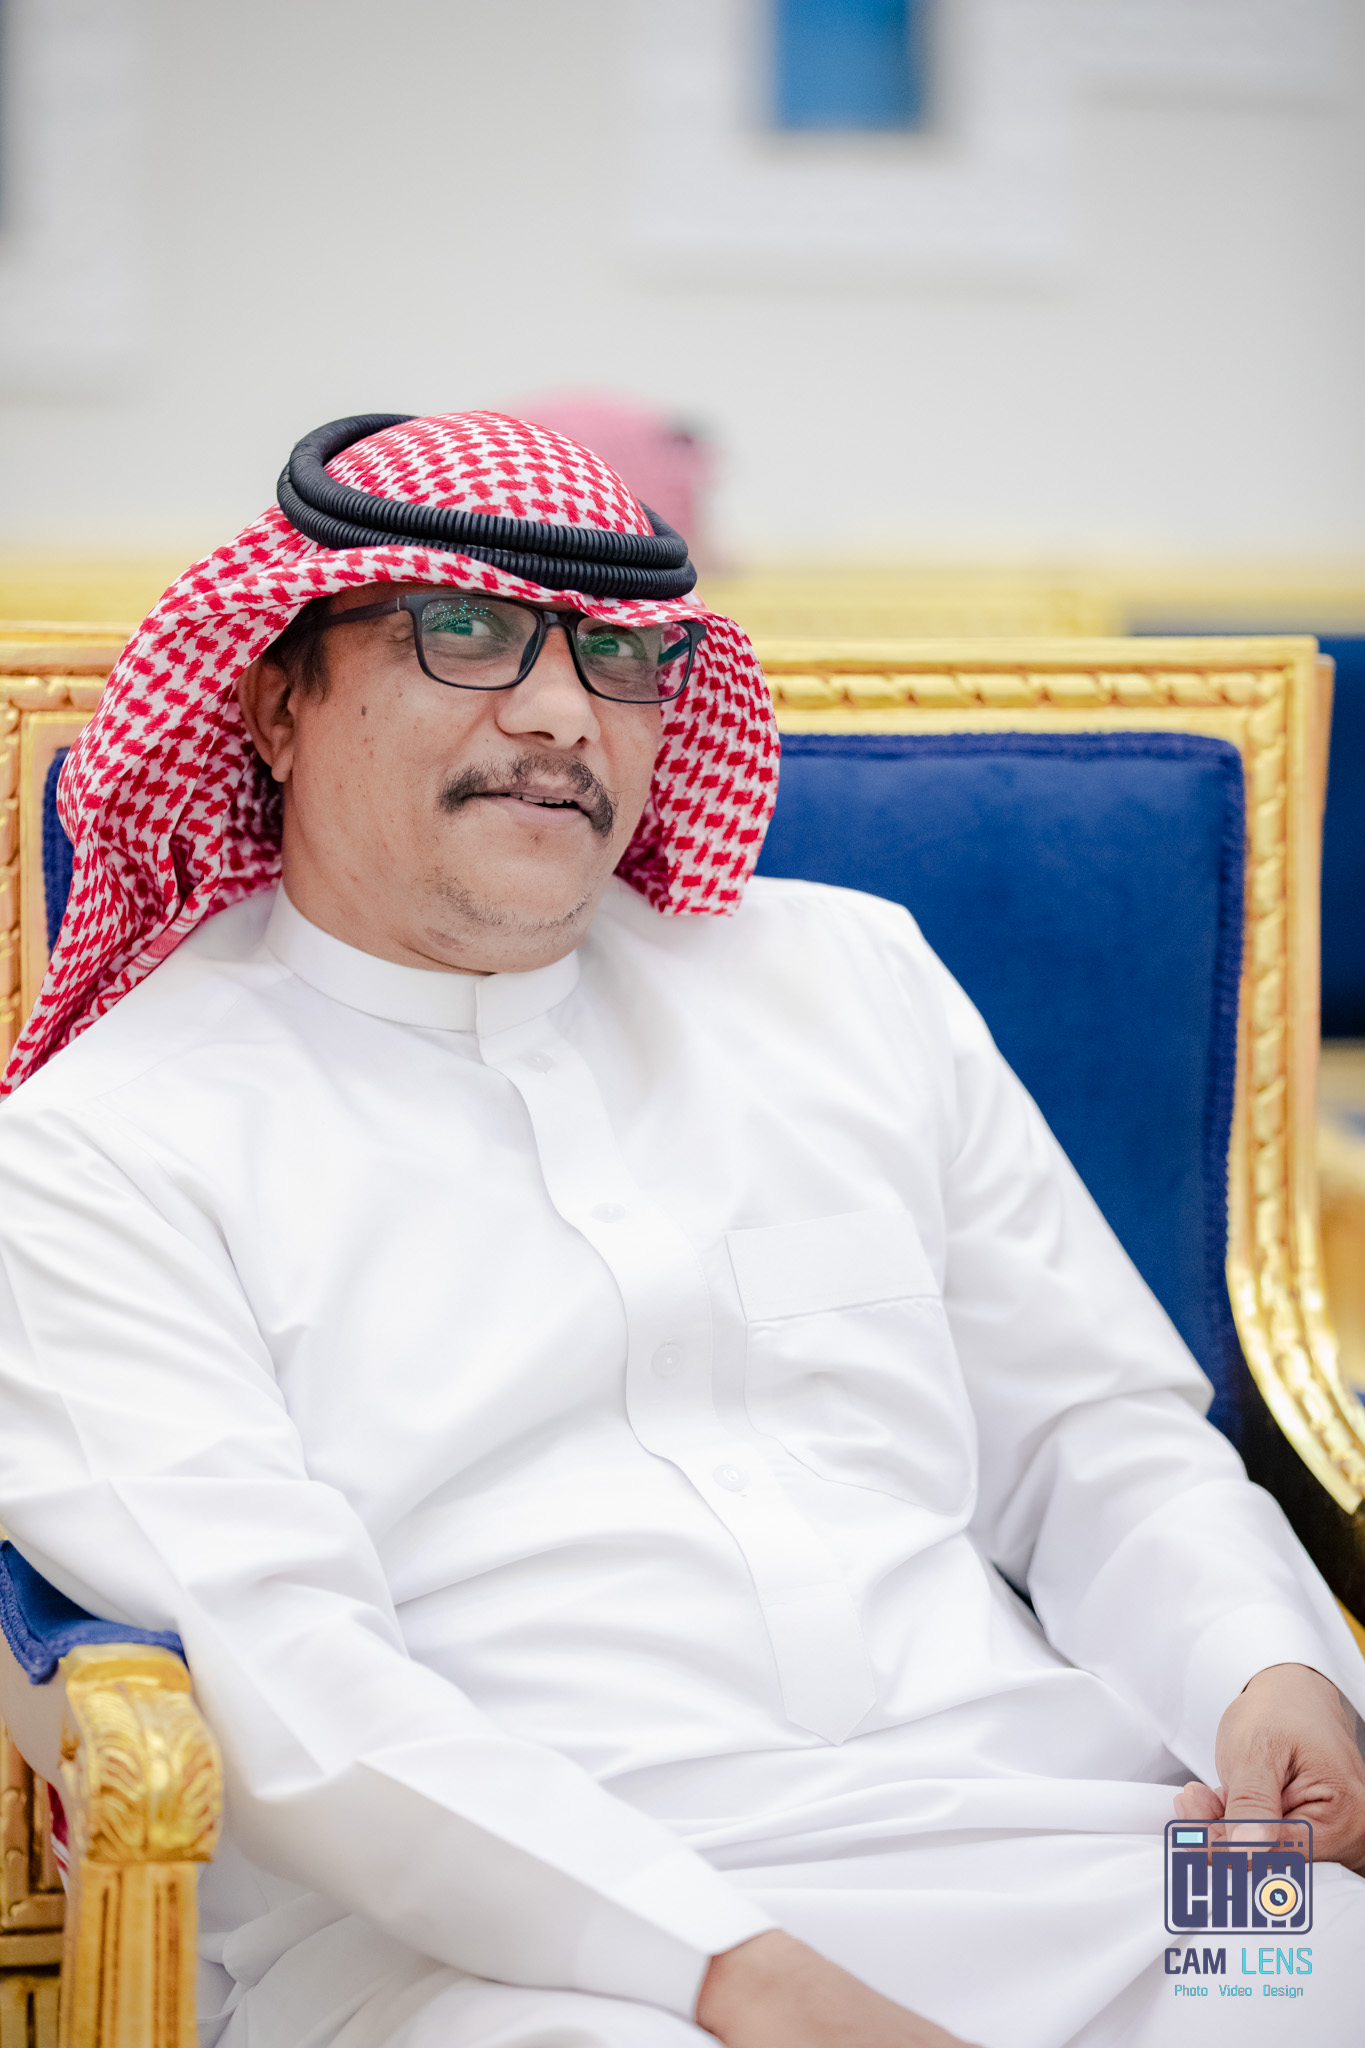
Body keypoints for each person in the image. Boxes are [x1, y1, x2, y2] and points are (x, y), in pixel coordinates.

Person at [0, 410, 1362, 2048]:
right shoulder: (101, 1147)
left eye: (618, 655)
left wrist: (1266, 1676)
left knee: (1323, 1970)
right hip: (515, 1951)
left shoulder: (849, 984)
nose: (560, 712)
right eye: (466, 633)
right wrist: (749, 1983)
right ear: (275, 699)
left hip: (1065, 1838)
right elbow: (287, 1681)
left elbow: (1096, 1438)